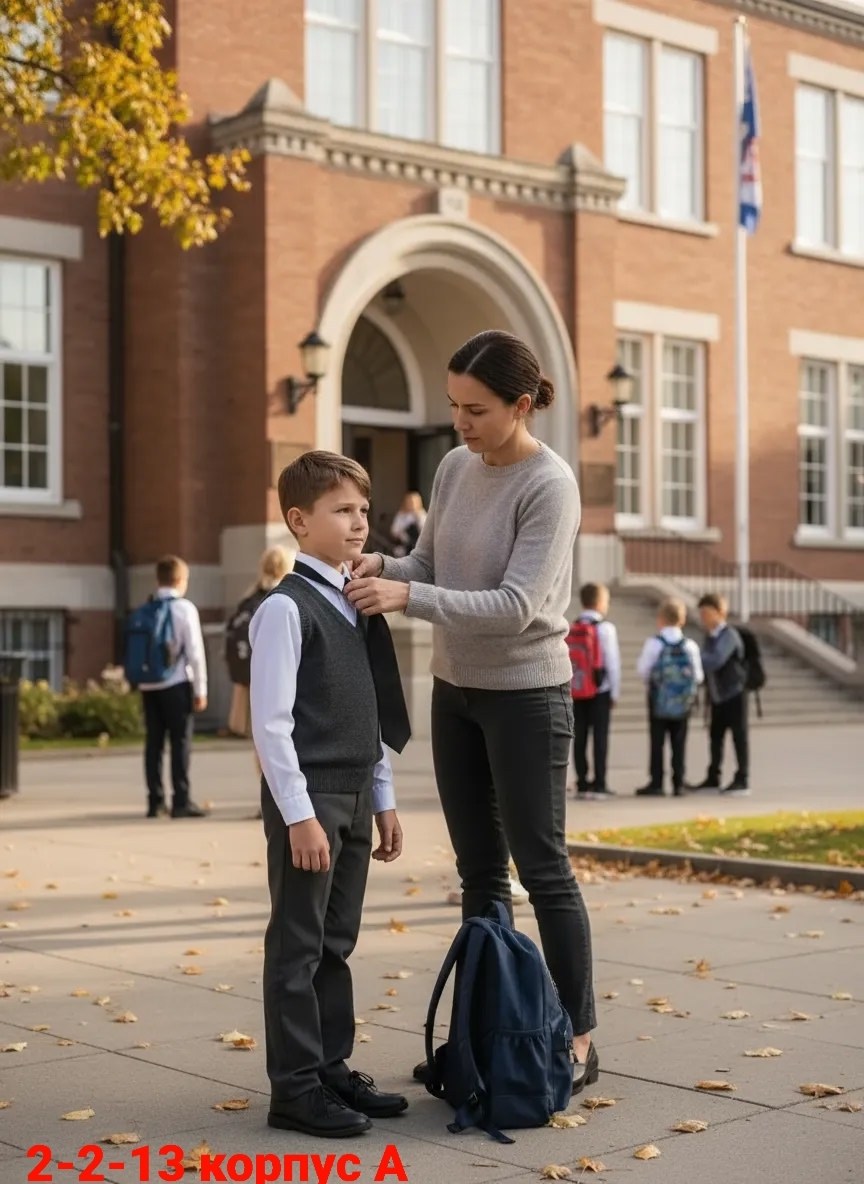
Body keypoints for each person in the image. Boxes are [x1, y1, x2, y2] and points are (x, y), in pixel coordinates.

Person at [348, 328, 598, 1093]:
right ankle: (489, 1033)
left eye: (476, 409)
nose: (460, 422)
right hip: (455, 694)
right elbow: (429, 563)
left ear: (522, 405)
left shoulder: (549, 485)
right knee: (478, 872)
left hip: (527, 696)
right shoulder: (456, 467)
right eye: (454, 405)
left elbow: (519, 606)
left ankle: (578, 1040)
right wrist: (381, 566)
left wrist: (408, 595)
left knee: (543, 870)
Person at [249, 451, 410, 1139]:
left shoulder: (356, 603)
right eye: (342, 510)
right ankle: (293, 1088)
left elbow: (371, 710)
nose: (359, 522)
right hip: (310, 805)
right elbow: (271, 725)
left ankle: (330, 1066)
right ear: (298, 521)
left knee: (336, 942)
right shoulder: (288, 608)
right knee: (298, 944)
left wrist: (383, 796)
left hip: (352, 795)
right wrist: (299, 816)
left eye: (363, 510)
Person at [138, 555, 208, 819]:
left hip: (149, 685)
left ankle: (154, 801)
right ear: (180, 580)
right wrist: (201, 690)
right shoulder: (184, 608)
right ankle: (181, 801)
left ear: (158, 580)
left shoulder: (147, 607)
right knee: (180, 743)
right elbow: (195, 653)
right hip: (177, 684)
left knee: (153, 743)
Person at [635, 598, 703, 797]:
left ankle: (656, 782)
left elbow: (643, 670)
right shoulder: (690, 645)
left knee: (657, 741)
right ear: (682, 620)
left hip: (658, 699)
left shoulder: (654, 643)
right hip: (682, 701)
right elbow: (698, 676)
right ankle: (678, 782)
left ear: (661, 619)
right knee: (679, 741)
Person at [226, 546, 292, 739]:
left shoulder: (249, 598)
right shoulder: (286, 597)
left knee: (261, 740)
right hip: (279, 678)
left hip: (249, 677)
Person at [693, 593, 750, 796]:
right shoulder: (710, 637)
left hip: (734, 693)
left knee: (739, 736)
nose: (703, 618)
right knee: (715, 736)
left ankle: (742, 778)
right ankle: (713, 777)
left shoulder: (729, 636)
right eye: (701, 614)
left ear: (720, 613)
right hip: (717, 695)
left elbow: (715, 660)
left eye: (706, 613)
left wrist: (692, 657)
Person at [568, 583, 620, 800]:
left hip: (578, 690)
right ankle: (599, 783)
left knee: (579, 736)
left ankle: (582, 782)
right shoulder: (605, 628)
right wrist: (614, 692)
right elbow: (613, 663)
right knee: (600, 737)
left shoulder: (572, 626)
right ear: (600, 603)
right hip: (600, 689)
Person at [389, 491, 427, 557]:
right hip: (404, 547)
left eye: (413, 502)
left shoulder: (422, 514)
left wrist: (417, 517)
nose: (411, 504)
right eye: (409, 501)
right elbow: (394, 531)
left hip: (418, 546)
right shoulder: (401, 514)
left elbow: (425, 530)